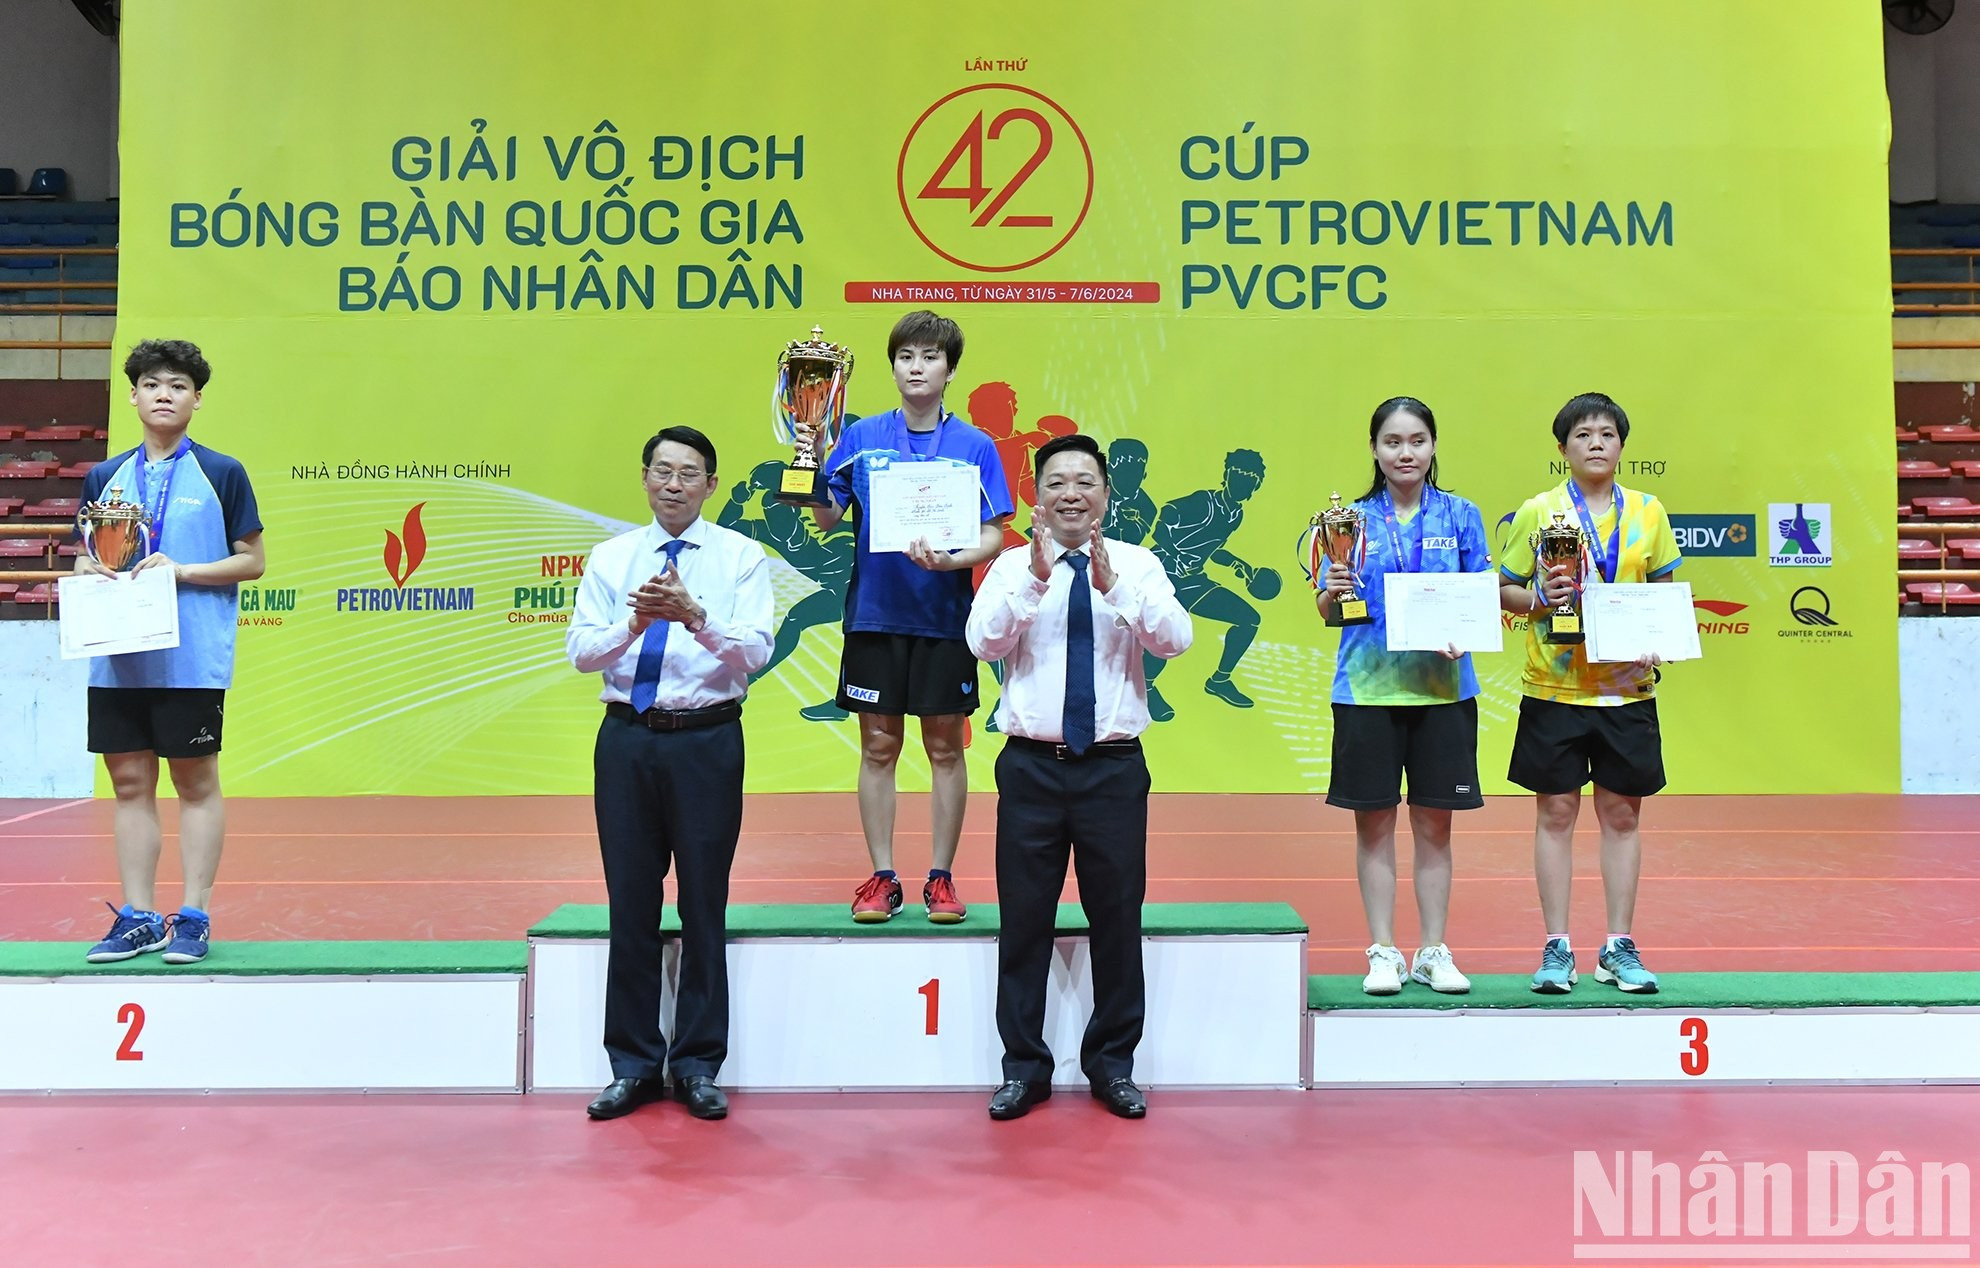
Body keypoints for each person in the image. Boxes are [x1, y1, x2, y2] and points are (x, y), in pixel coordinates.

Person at [966, 434, 1193, 1120]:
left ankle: (1113, 1066)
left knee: (1117, 921)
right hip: (1033, 769)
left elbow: (1174, 640)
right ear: (1037, 494)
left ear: (1105, 495)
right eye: (1058, 481)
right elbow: (983, 644)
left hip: (1113, 771)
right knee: (1025, 923)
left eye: (1086, 481)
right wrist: (1037, 581)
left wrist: (1114, 588)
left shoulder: (1137, 564)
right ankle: (1024, 1068)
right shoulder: (1011, 567)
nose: (1071, 493)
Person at [566, 425, 773, 1121]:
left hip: (707, 741)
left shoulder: (742, 558)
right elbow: (582, 653)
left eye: (689, 473)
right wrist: (635, 625)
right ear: (646, 478)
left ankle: (696, 1065)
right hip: (627, 740)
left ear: (711, 484)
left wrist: (695, 616)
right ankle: (630, 1065)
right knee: (630, 901)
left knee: (704, 902)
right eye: (662, 471)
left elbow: (756, 652)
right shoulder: (612, 557)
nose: (674, 483)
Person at [800, 310, 1013, 924]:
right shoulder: (861, 435)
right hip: (875, 615)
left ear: (949, 370)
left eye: (929, 358)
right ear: (892, 366)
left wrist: (952, 562)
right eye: (905, 357)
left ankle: (941, 879)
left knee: (946, 747)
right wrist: (811, 459)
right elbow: (826, 518)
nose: (916, 368)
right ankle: (882, 877)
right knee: (878, 745)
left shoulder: (975, 445)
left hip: (944, 618)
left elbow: (994, 533)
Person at [76, 340, 264, 967]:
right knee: (129, 783)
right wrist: (94, 569)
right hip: (119, 655)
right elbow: (86, 552)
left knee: (194, 781)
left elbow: (253, 561)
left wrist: (181, 571)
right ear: (132, 396)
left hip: (190, 658)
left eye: (178, 386)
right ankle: (137, 918)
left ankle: (194, 916)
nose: (164, 394)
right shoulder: (106, 476)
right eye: (152, 384)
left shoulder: (222, 472)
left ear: (196, 400)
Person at [1497, 392, 1682, 995]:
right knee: (1555, 812)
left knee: (1623, 815)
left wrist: (1658, 637)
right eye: (1582, 434)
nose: (1595, 442)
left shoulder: (1650, 512)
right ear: (1562, 449)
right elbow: (1504, 590)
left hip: (1627, 691)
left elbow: (1663, 594)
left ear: (1622, 445)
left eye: (1606, 433)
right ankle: (1557, 947)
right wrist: (1543, 601)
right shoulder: (1538, 512)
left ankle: (1618, 946)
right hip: (1554, 686)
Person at [1317, 398, 1490, 996]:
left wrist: (1463, 636)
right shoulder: (1348, 522)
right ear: (1375, 450)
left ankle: (1434, 950)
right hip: (1366, 691)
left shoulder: (1462, 515)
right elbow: (1327, 611)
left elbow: (1479, 599)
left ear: (1434, 446)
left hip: (1443, 694)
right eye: (1393, 442)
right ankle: (1384, 951)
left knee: (1435, 826)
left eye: (1417, 440)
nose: (1405, 452)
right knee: (1374, 826)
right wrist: (1334, 589)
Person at [716, 457, 854, 721]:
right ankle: (746, 681)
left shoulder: (823, 521)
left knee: (852, 624)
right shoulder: (771, 530)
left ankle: (845, 701)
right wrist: (737, 501)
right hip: (835, 590)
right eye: (768, 505)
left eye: (777, 504)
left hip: (858, 584)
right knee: (795, 619)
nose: (772, 511)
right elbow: (727, 529)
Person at [1144, 448, 1268, 720]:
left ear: (1255, 485)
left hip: (1193, 580)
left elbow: (1210, 549)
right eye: (1238, 476)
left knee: (1249, 619)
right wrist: (1174, 554)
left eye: (1250, 479)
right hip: (1163, 576)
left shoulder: (1235, 515)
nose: (1243, 483)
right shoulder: (1205, 503)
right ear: (1227, 476)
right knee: (1167, 632)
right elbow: (1166, 518)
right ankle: (1146, 688)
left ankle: (1219, 681)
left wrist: (1239, 564)